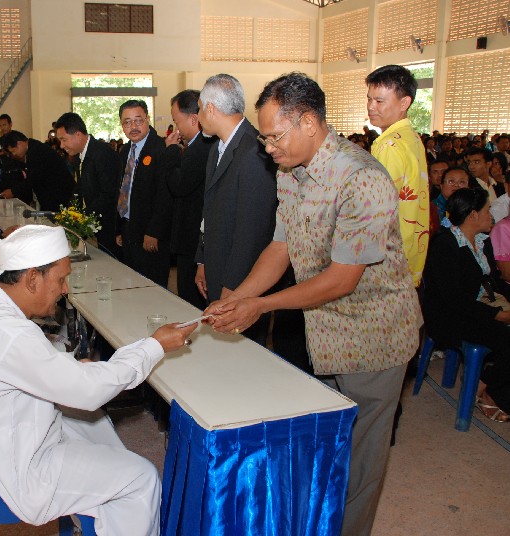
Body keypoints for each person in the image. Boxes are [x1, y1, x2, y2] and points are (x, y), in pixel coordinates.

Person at [205, 73, 420, 536]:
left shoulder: (361, 178)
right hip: (322, 331)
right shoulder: (290, 172)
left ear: (308, 122)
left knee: (359, 461)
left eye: (274, 137)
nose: (268, 148)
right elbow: (280, 247)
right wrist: (238, 296)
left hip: (373, 336)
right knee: (322, 447)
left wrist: (260, 306)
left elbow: (341, 279)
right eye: (263, 139)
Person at [0, 225, 197, 535]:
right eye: (60, 280)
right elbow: (90, 391)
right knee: (141, 477)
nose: (65, 289)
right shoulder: (11, 335)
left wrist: (74, 371)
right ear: (32, 278)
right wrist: (155, 346)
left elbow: (26, 367)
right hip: (10, 471)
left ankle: (107, 501)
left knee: (94, 424)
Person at [194, 74, 277, 342]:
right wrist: (202, 259)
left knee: (244, 349)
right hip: (217, 264)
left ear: (210, 109)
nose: (198, 116)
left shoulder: (254, 151)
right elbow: (208, 211)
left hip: (241, 278)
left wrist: (235, 287)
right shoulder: (217, 147)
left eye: (199, 109)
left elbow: (253, 232)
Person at [424, 188, 510, 422]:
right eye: (487, 211)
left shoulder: (481, 241)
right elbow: (454, 300)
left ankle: (489, 384)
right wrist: (497, 315)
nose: (491, 216)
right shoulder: (444, 245)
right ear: (473, 215)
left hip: (475, 305)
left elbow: (490, 282)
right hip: (449, 317)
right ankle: (490, 392)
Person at [366, 64, 430, 288]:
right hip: (408, 252)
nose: (371, 107)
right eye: (369, 99)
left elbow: (375, 209)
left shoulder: (389, 146)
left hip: (387, 260)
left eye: (379, 101)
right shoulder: (411, 137)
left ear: (404, 103)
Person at [163, 89, 216, 309]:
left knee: (190, 299)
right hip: (193, 238)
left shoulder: (199, 148)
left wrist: (171, 151)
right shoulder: (201, 146)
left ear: (194, 119)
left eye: (177, 121)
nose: (177, 128)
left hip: (193, 239)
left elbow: (179, 186)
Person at [116, 100, 171, 286]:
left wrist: (154, 231)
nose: (133, 126)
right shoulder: (125, 151)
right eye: (127, 122)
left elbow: (164, 195)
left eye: (138, 120)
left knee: (152, 286)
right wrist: (120, 228)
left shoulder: (160, 148)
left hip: (150, 233)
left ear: (147, 120)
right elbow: (123, 190)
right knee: (131, 283)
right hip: (129, 229)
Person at [54, 112, 121, 252]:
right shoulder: (79, 155)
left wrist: (82, 218)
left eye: (64, 140)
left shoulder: (102, 154)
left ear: (78, 135)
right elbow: (79, 188)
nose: (61, 145)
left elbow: (108, 194)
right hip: (94, 223)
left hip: (109, 227)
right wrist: (69, 214)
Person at [0, 130, 75, 212]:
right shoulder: (32, 148)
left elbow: (32, 178)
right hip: (53, 195)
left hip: (61, 195)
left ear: (19, 143)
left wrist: (13, 192)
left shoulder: (37, 151)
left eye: (13, 151)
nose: (14, 154)